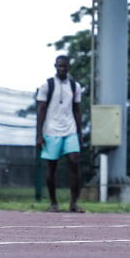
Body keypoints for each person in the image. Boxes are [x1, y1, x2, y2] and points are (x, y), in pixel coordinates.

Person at [35, 55, 85, 213]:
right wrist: (39, 134)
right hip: (51, 130)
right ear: (55, 66)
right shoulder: (46, 86)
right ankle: (54, 203)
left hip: (70, 130)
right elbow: (41, 110)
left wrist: (79, 132)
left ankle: (73, 203)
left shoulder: (74, 86)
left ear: (69, 67)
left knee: (74, 162)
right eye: (59, 66)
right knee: (52, 167)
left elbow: (77, 109)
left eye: (65, 66)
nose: (62, 68)